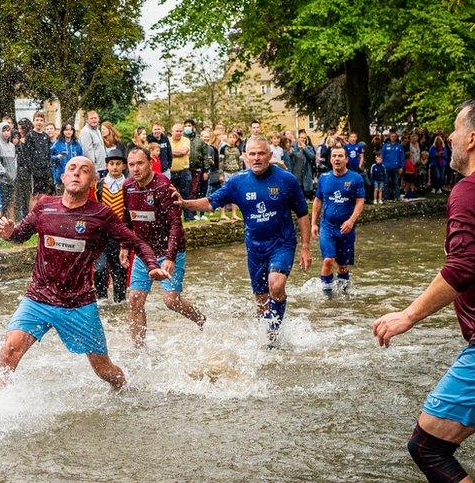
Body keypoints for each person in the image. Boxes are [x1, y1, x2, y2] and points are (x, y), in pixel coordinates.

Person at [0, 156, 169, 391]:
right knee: (10, 350)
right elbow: (19, 235)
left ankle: (127, 390)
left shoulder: (101, 215)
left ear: (93, 181)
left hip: (78, 304)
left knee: (104, 370)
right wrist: (8, 232)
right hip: (39, 297)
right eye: (72, 169)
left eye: (84, 170)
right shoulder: (45, 206)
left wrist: (151, 265)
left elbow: (136, 241)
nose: (76, 173)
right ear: (64, 177)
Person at [372, 100, 475, 482]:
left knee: (428, 447)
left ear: (472, 139)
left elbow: (464, 266)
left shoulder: (467, 192)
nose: (450, 136)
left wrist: (409, 315)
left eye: (456, 129)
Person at [174, 136, 311, 345]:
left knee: (276, 285)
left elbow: (302, 213)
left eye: (261, 153)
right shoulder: (237, 182)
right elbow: (211, 203)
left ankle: (273, 336)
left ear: (270, 155)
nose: (257, 158)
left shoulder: (286, 180)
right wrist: (184, 203)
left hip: (282, 244)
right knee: (261, 302)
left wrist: (306, 248)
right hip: (255, 248)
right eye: (252, 154)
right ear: (245, 156)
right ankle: (264, 335)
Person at [122, 147, 206, 346]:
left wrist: (170, 257)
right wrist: (125, 245)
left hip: (169, 250)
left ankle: (201, 319)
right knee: (134, 299)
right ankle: (138, 349)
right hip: (144, 252)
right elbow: (127, 218)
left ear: (150, 163)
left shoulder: (162, 186)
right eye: (131, 165)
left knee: (170, 300)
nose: (135, 169)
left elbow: (176, 224)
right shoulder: (128, 186)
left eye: (139, 164)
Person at [311, 146, 365, 299]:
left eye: (340, 156)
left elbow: (360, 202)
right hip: (327, 227)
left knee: (342, 266)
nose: (337, 159)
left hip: (346, 228)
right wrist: (314, 224)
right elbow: (317, 201)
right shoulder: (324, 178)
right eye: (334, 156)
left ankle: (343, 296)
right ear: (330, 159)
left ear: (346, 159)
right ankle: (327, 296)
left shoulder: (356, 179)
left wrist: (351, 221)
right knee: (328, 260)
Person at [94, 147, 129, 304]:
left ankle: (120, 300)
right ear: (107, 165)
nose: (115, 167)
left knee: (119, 269)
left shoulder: (128, 185)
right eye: (112, 164)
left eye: (118, 164)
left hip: (120, 236)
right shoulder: (99, 186)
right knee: (100, 268)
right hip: (101, 235)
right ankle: (101, 298)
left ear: (123, 166)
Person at [0, 121, 18, 221]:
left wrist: (13, 175)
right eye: (4, 130)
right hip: (1, 180)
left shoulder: (11, 146)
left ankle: (11, 224)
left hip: (11, 180)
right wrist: (4, 173)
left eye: (8, 130)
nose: (6, 133)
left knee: (11, 203)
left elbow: (14, 162)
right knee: (2, 203)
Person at [26, 111, 53, 210]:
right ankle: (31, 217)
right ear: (33, 121)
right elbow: (27, 155)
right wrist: (32, 169)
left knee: (43, 195)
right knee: (34, 195)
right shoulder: (30, 135)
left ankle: (41, 216)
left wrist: (48, 167)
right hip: (34, 171)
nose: (39, 122)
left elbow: (48, 154)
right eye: (37, 120)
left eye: (41, 120)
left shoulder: (46, 136)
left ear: (44, 122)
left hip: (44, 170)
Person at [169, 123, 193, 221]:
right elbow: (167, 153)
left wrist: (172, 152)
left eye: (180, 131)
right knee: (172, 196)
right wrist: (175, 153)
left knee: (185, 194)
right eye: (177, 131)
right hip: (171, 172)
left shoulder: (186, 140)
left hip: (184, 171)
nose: (179, 133)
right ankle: (174, 218)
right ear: (172, 131)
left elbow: (184, 152)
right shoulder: (168, 141)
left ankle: (188, 217)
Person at [50, 123, 83, 188]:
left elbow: (81, 158)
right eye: (66, 130)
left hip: (74, 176)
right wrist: (57, 157)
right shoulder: (57, 144)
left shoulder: (76, 144)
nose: (69, 132)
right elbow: (49, 157)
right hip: (61, 176)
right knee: (61, 197)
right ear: (63, 131)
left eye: (70, 130)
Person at [219, 131, 244, 221]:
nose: (232, 139)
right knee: (224, 192)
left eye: (234, 137)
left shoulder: (238, 149)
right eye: (230, 137)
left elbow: (240, 162)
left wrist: (241, 173)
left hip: (236, 172)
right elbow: (221, 162)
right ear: (227, 138)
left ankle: (234, 213)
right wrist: (221, 174)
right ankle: (222, 213)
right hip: (226, 172)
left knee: (235, 194)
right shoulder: (223, 148)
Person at [79, 110, 107, 176]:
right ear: (87, 120)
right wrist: (93, 169)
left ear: (98, 119)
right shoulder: (86, 132)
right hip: (95, 169)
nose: (94, 120)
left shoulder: (97, 130)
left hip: (102, 167)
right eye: (91, 118)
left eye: (95, 118)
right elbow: (88, 152)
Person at [382, 130, 405, 201]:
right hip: (386, 167)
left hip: (396, 168)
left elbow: (402, 157)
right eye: (392, 136)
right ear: (390, 137)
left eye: (395, 136)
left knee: (396, 183)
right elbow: (382, 156)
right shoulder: (385, 146)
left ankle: (397, 197)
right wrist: (382, 166)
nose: (393, 137)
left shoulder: (399, 146)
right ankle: (386, 197)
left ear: (397, 137)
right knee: (386, 183)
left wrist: (402, 167)